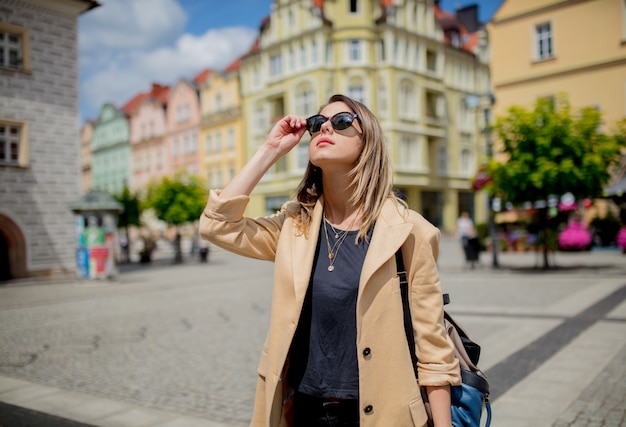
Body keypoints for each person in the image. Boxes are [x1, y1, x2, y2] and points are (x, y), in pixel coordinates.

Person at [199, 94, 460, 427]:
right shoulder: (294, 227)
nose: (325, 128)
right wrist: (271, 151)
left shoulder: (410, 231)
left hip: (385, 415)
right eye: (316, 124)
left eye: (341, 122)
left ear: (369, 142)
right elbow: (216, 226)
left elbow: (433, 347)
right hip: (304, 412)